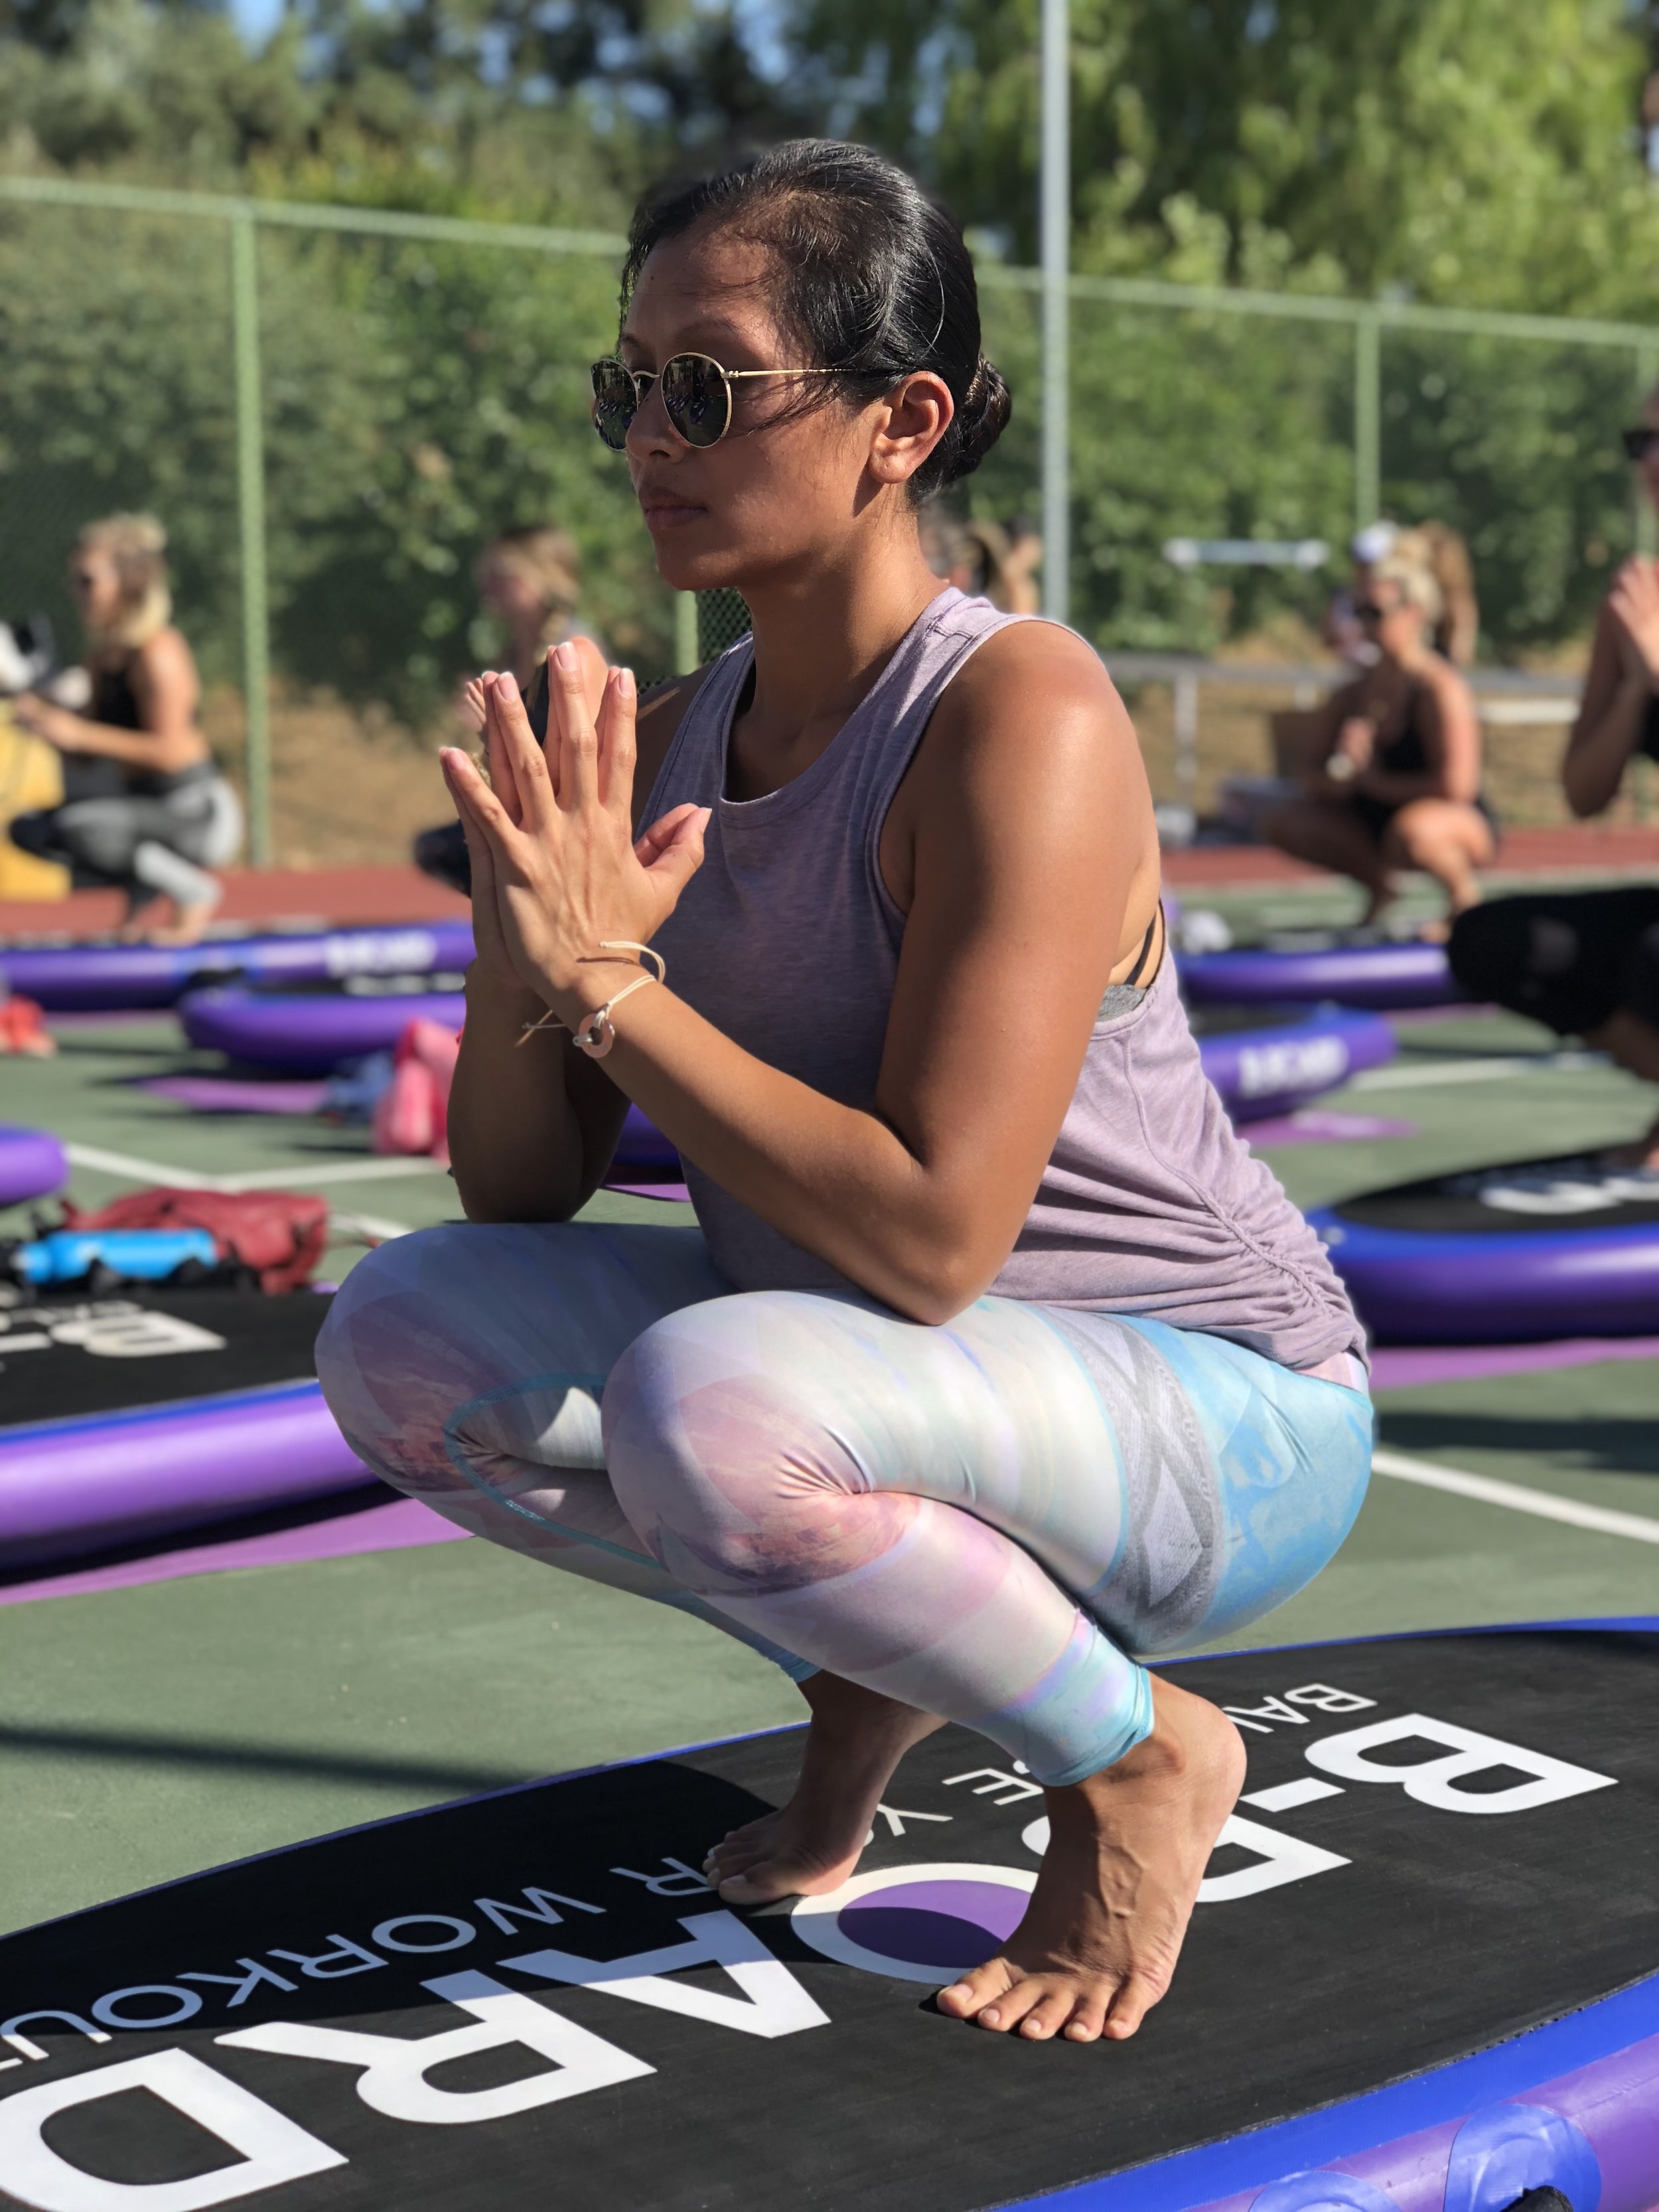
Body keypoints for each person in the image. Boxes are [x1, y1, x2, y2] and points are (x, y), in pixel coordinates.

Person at [315, 139, 1372, 2048]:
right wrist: (517, 931)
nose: (648, 431)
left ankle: (1137, 1761)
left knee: (713, 1407)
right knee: (400, 1334)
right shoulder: (672, 737)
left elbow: (931, 1233)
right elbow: (517, 1195)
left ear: (902, 420)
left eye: (706, 385)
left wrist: (612, 986)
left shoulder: (1015, 709)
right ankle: (863, 1679)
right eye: (625, 382)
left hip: (1217, 1413)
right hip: (893, 1386)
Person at [1450, 393, 1659, 1161]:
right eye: (1641, 440)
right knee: (1492, 941)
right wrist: (1635, 683)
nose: (1651, 460)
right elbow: (1583, 792)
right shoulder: (1637, 602)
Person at [9, 515, 238, 944]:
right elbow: (86, 754)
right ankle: (142, 899)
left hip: (194, 813)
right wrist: (46, 723)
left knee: (85, 826)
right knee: (32, 830)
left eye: (87, 580)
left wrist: (78, 732)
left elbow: (172, 752)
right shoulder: (102, 658)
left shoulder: (158, 651)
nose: (76, 591)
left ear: (128, 583)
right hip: (142, 812)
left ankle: (193, 890)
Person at [1261, 540, 1493, 928]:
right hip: (1372, 815)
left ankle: (1463, 900)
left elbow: (1458, 788)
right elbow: (1308, 769)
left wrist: (1374, 782)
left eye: (1376, 613)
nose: (1365, 625)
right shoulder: (1353, 691)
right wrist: (1338, 779)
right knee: (1284, 819)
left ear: (1414, 613)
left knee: (1414, 832)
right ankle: (1379, 887)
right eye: (1358, 612)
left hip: (1446, 821)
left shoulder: (1438, 687)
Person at [414, 526, 608, 895]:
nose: (489, 587)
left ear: (545, 578)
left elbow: (569, 772)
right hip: (532, 816)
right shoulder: (513, 652)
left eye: (502, 574)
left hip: (572, 832)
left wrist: (494, 732)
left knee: (450, 850)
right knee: (443, 848)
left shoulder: (573, 649)